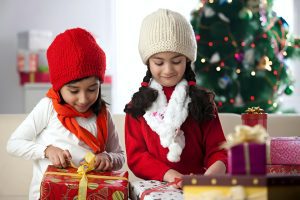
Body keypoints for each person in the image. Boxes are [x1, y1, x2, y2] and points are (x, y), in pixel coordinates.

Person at [7, 28, 125, 199]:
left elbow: (119, 156)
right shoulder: (48, 107)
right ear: (58, 87)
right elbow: (14, 144)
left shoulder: (104, 115)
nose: (83, 99)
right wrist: (46, 150)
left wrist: (108, 158)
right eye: (74, 90)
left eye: (92, 89)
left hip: (88, 194)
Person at [124, 9, 227, 188]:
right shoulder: (137, 106)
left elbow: (218, 150)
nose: (168, 70)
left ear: (187, 60)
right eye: (159, 62)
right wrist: (171, 176)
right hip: (155, 189)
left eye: (177, 61)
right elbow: (137, 157)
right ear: (148, 62)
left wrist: (210, 175)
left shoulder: (202, 102)